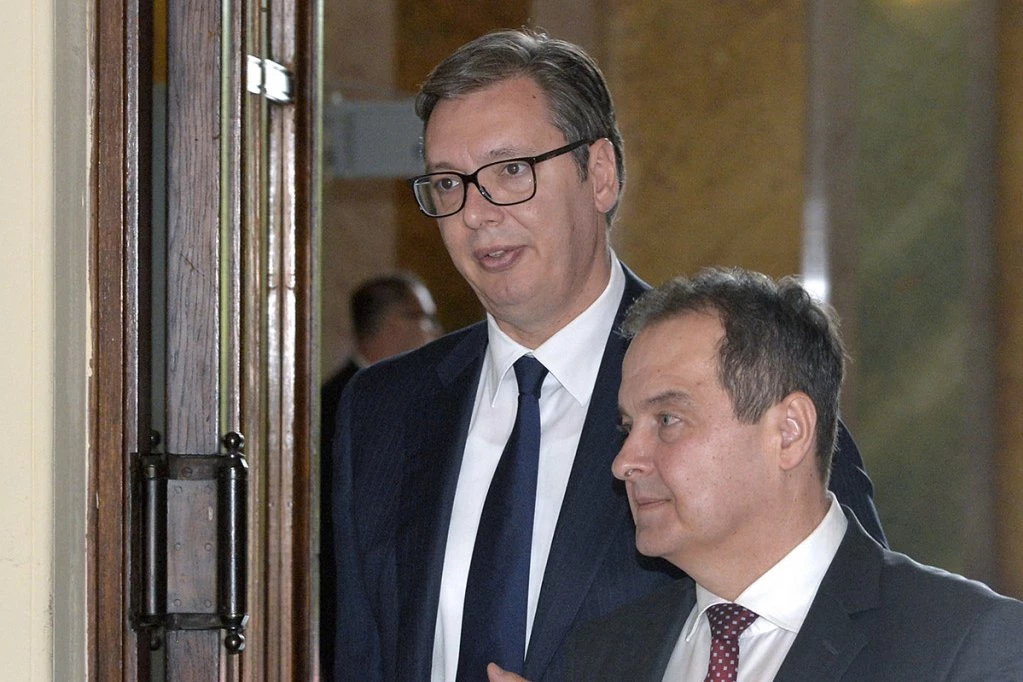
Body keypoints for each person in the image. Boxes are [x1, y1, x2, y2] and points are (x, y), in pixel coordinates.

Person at [329, 29, 885, 682]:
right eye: (449, 183)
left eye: (511, 171)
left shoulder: (741, 384)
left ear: (599, 174)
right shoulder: (384, 408)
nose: (476, 214)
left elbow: (855, 651)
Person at [502, 267, 1023, 681]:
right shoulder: (605, 653)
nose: (624, 462)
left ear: (788, 433)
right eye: (626, 427)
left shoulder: (964, 645)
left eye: (667, 420)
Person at [320, 271, 440, 674]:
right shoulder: (339, 405)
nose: (435, 331)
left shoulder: (412, 397)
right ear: (392, 323)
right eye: (424, 318)